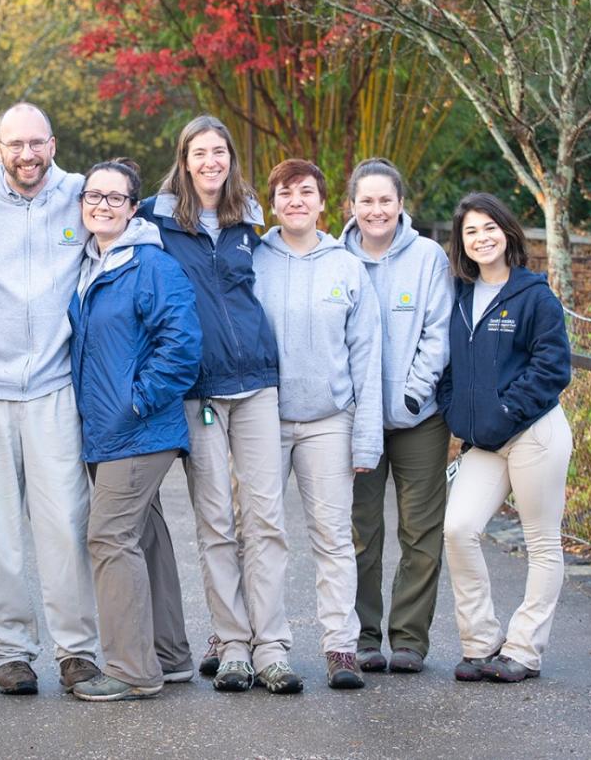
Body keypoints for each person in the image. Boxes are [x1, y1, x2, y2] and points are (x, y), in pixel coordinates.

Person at [139, 115, 298, 694]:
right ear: (183, 160)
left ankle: (272, 645)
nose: (211, 161)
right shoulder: (156, 220)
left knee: (266, 519)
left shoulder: (248, 216)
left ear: (231, 158)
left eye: (220, 152)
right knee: (215, 522)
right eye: (200, 152)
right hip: (197, 391)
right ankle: (232, 644)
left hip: (256, 382)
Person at [0, 103, 101, 695]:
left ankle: (77, 650)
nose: (27, 155)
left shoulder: (80, 196)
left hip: (55, 388)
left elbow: (139, 218)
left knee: (67, 524)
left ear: (53, 143)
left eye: (37, 143)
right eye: (15, 145)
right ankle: (10, 652)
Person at [66, 159, 202, 702]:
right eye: (93, 196)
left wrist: (139, 399)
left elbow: (182, 344)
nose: (102, 205)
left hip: (140, 428)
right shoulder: (90, 262)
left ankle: (131, 670)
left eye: (114, 198)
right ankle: (169, 657)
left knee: (109, 537)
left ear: (133, 206)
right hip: (108, 428)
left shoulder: (150, 265)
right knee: (144, 535)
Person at [254, 159, 384, 690]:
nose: (296, 201)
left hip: (330, 420)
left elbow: (366, 356)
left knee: (333, 538)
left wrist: (365, 436)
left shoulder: (346, 266)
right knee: (262, 534)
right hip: (261, 419)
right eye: (285, 193)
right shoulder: (254, 259)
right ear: (273, 203)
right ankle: (266, 645)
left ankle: (340, 647)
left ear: (326, 203)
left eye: (306, 192)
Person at [439, 192, 573, 684]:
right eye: (471, 231)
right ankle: (480, 642)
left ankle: (524, 649)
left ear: (507, 232)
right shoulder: (457, 295)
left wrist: (506, 409)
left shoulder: (534, 296)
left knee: (541, 541)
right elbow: (448, 366)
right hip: (483, 442)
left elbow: (553, 367)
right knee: (458, 529)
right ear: (462, 242)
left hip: (534, 433)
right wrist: (457, 409)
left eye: (489, 227)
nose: (481, 238)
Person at [340, 157, 453, 674]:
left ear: (401, 205)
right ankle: (363, 635)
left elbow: (437, 332)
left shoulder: (428, 257)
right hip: (354, 419)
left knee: (420, 531)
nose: (376, 210)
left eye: (386, 200)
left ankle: (409, 639)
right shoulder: (334, 256)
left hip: (419, 419)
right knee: (361, 532)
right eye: (367, 200)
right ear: (352, 205)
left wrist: (411, 394)